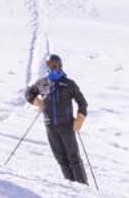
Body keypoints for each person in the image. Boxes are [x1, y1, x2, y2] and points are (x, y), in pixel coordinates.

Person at [25, 52, 91, 184]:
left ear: (60, 65)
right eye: (50, 64)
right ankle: (71, 187)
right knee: (61, 158)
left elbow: (82, 102)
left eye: (55, 64)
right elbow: (28, 93)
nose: (53, 67)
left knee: (73, 158)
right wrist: (37, 101)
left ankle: (83, 188)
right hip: (50, 127)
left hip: (67, 126)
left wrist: (80, 117)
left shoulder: (68, 83)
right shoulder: (44, 83)